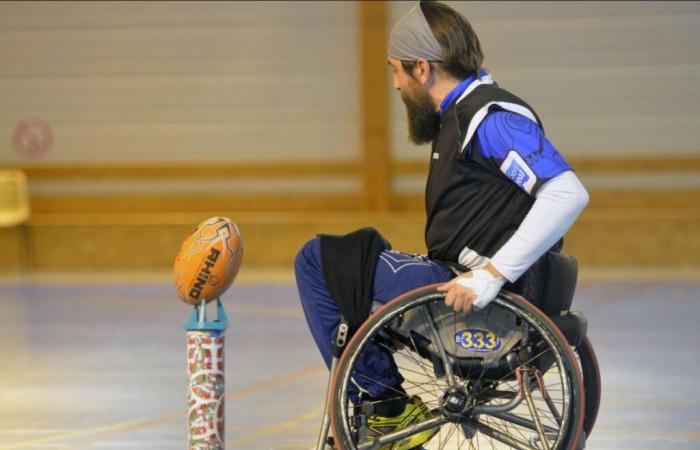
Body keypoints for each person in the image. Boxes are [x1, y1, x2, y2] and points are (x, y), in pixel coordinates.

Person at [295, 2, 589, 449]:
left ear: (421, 68)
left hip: (469, 292)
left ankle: (387, 406)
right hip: (461, 278)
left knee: (318, 260)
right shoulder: (464, 115)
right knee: (361, 253)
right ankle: (381, 398)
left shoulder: (489, 119)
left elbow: (567, 193)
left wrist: (492, 275)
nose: (395, 84)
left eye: (396, 71)